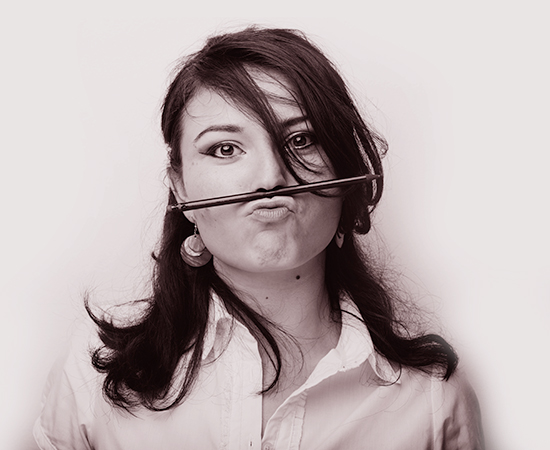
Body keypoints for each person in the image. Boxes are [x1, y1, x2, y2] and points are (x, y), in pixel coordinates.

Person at [34, 26, 484, 449]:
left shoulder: (432, 397)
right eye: (225, 149)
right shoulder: (91, 376)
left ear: (345, 171)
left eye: (301, 140)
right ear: (181, 188)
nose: (270, 178)